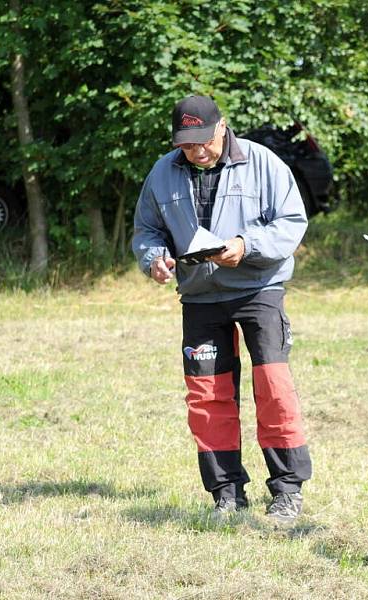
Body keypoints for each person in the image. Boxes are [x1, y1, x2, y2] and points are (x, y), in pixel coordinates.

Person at [132, 95, 311, 525]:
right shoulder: (162, 172)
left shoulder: (264, 162)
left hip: (258, 289)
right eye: (186, 144)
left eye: (202, 142)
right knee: (207, 396)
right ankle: (226, 494)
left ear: (222, 127)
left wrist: (246, 246)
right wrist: (153, 258)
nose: (195, 151)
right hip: (199, 297)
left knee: (273, 389)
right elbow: (147, 229)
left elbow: (292, 222)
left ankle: (287, 491)